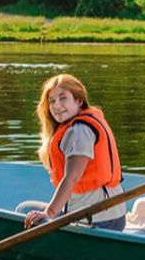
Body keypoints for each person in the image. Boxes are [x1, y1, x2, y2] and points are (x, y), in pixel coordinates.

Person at [20, 74, 126, 231]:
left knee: (23, 212)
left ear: (78, 100)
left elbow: (72, 177)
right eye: (52, 101)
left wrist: (49, 212)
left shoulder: (79, 131)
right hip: (110, 214)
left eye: (63, 98)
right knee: (25, 209)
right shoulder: (80, 123)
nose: (56, 106)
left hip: (98, 220)